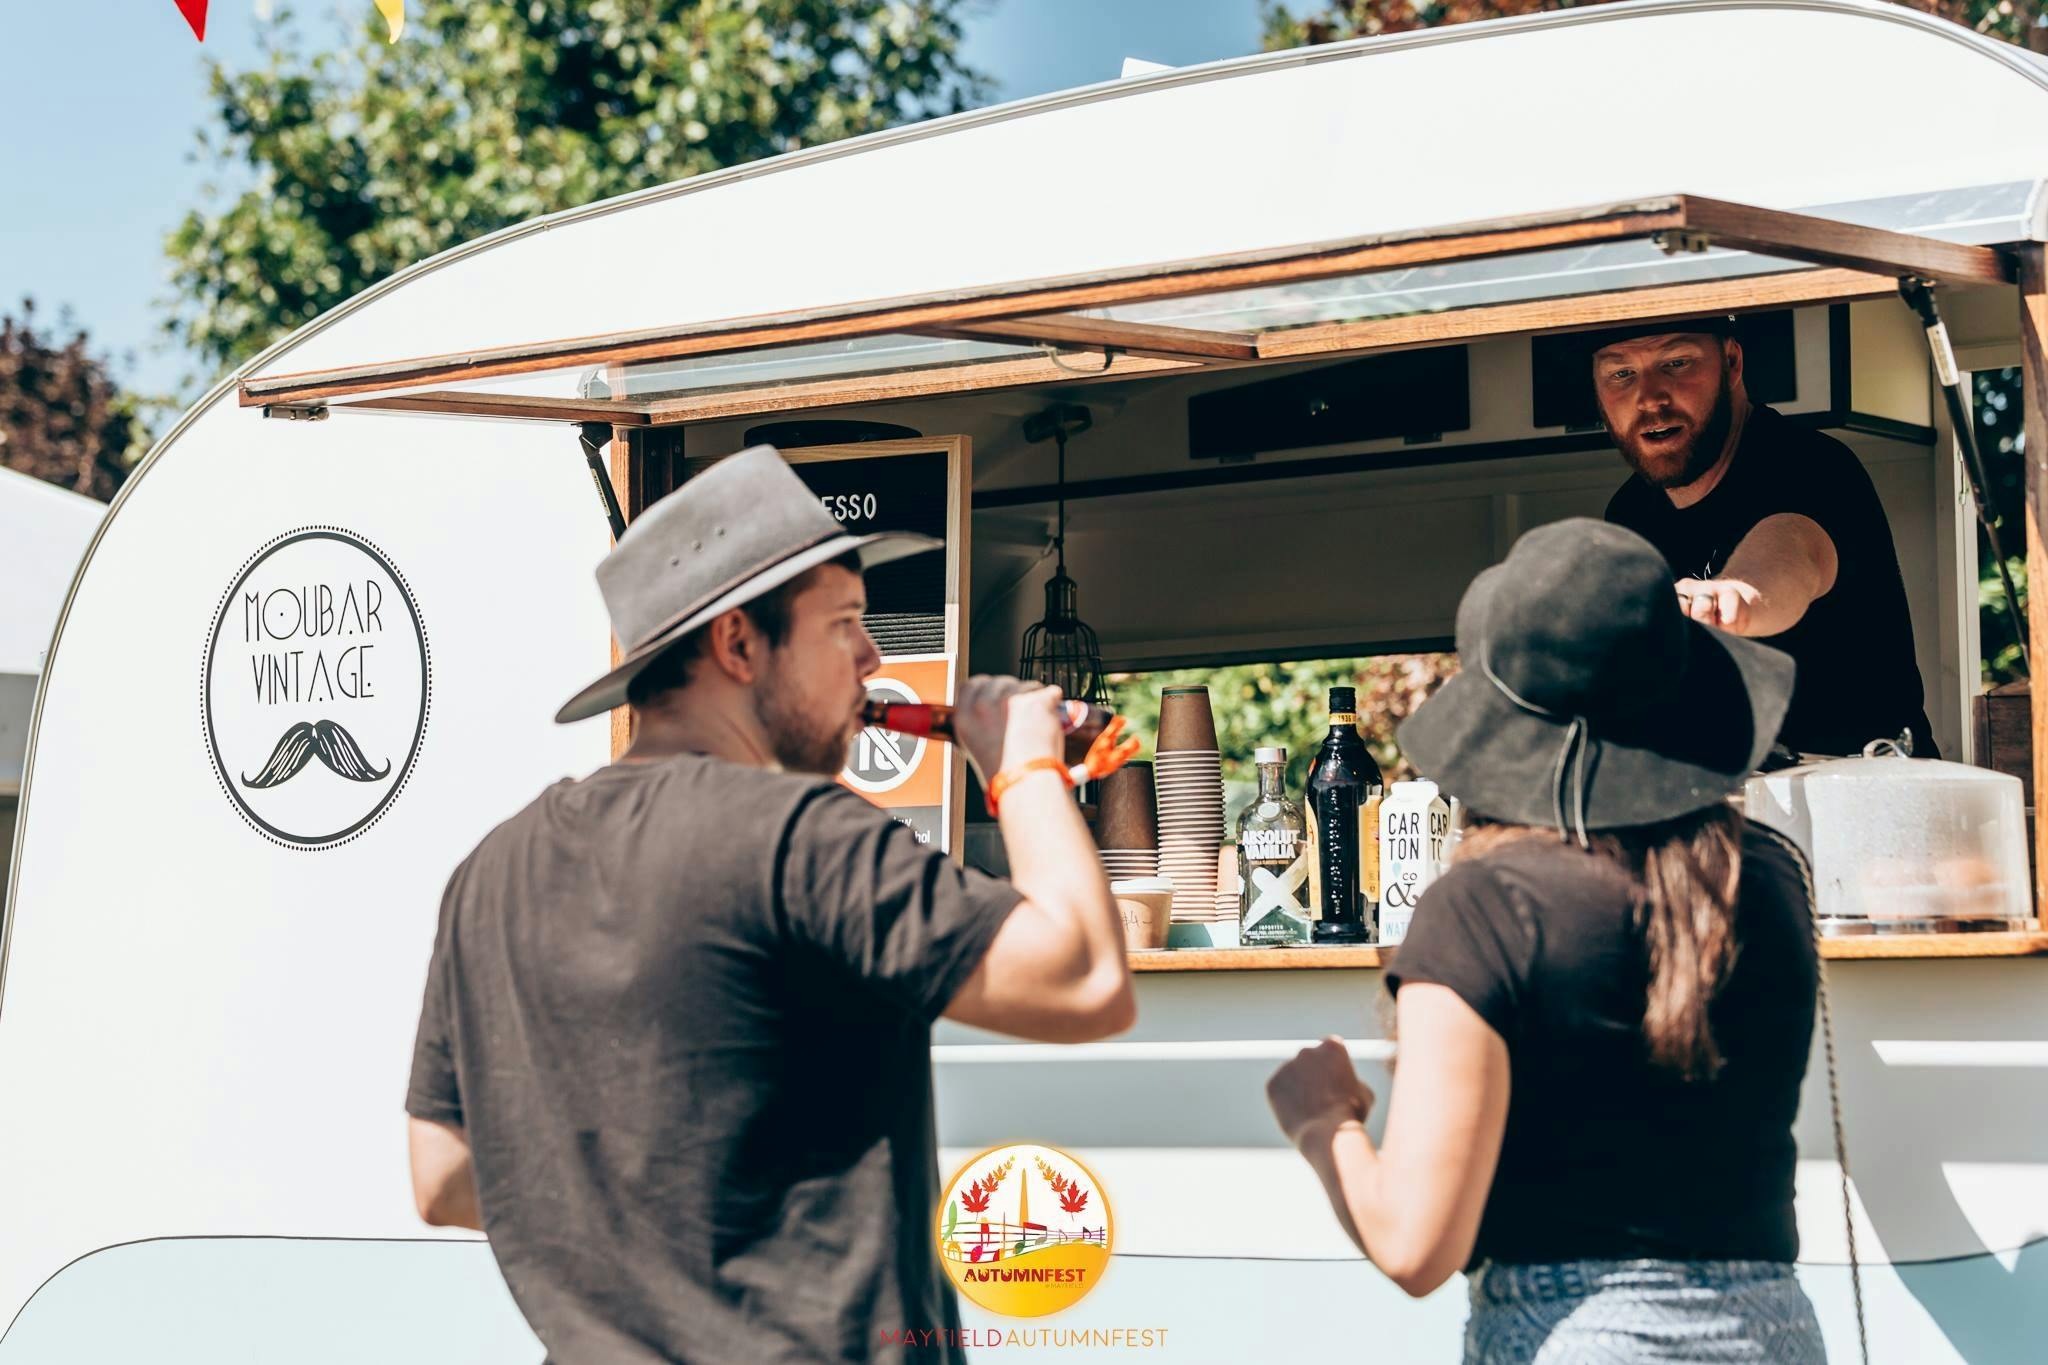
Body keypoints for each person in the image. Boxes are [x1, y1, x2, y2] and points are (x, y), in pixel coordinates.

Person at [404, 446, 1135, 1364]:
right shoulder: (795, 832)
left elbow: (444, 1175)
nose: (874, 658)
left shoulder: (489, 872)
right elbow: (1087, 978)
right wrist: (1023, 764)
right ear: (740, 642)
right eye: (843, 625)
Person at [1265, 519, 1826, 1364]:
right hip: (1775, 1335)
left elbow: (1417, 1248)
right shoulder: (1774, 877)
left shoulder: (1485, 908)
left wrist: (1323, 1120)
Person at [1594, 315, 1934, 756]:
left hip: (1865, 793)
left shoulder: (1809, 467)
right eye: (1621, 374)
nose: (1650, 399)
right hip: (1736, 796)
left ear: (1731, 362)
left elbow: (1791, 555)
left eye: (1676, 363)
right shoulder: (1629, 512)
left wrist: (1731, 598)